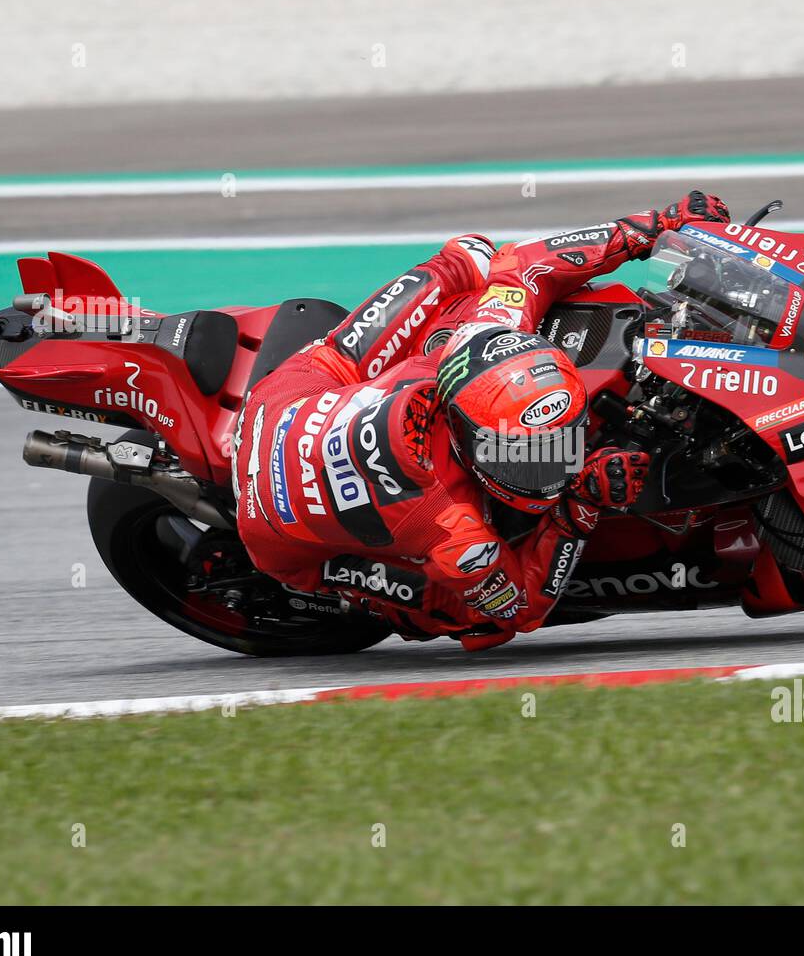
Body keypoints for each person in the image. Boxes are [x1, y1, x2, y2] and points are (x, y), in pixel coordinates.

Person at [232, 190, 732, 650]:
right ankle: (347, 593)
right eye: (528, 457)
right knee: (476, 620)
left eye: (564, 439)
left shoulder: (473, 345)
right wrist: (579, 502)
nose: (556, 465)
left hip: (293, 396)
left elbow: (527, 264)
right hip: (274, 528)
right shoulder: (453, 529)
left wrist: (658, 226)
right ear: (470, 441)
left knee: (470, 257)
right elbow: (524, 607)